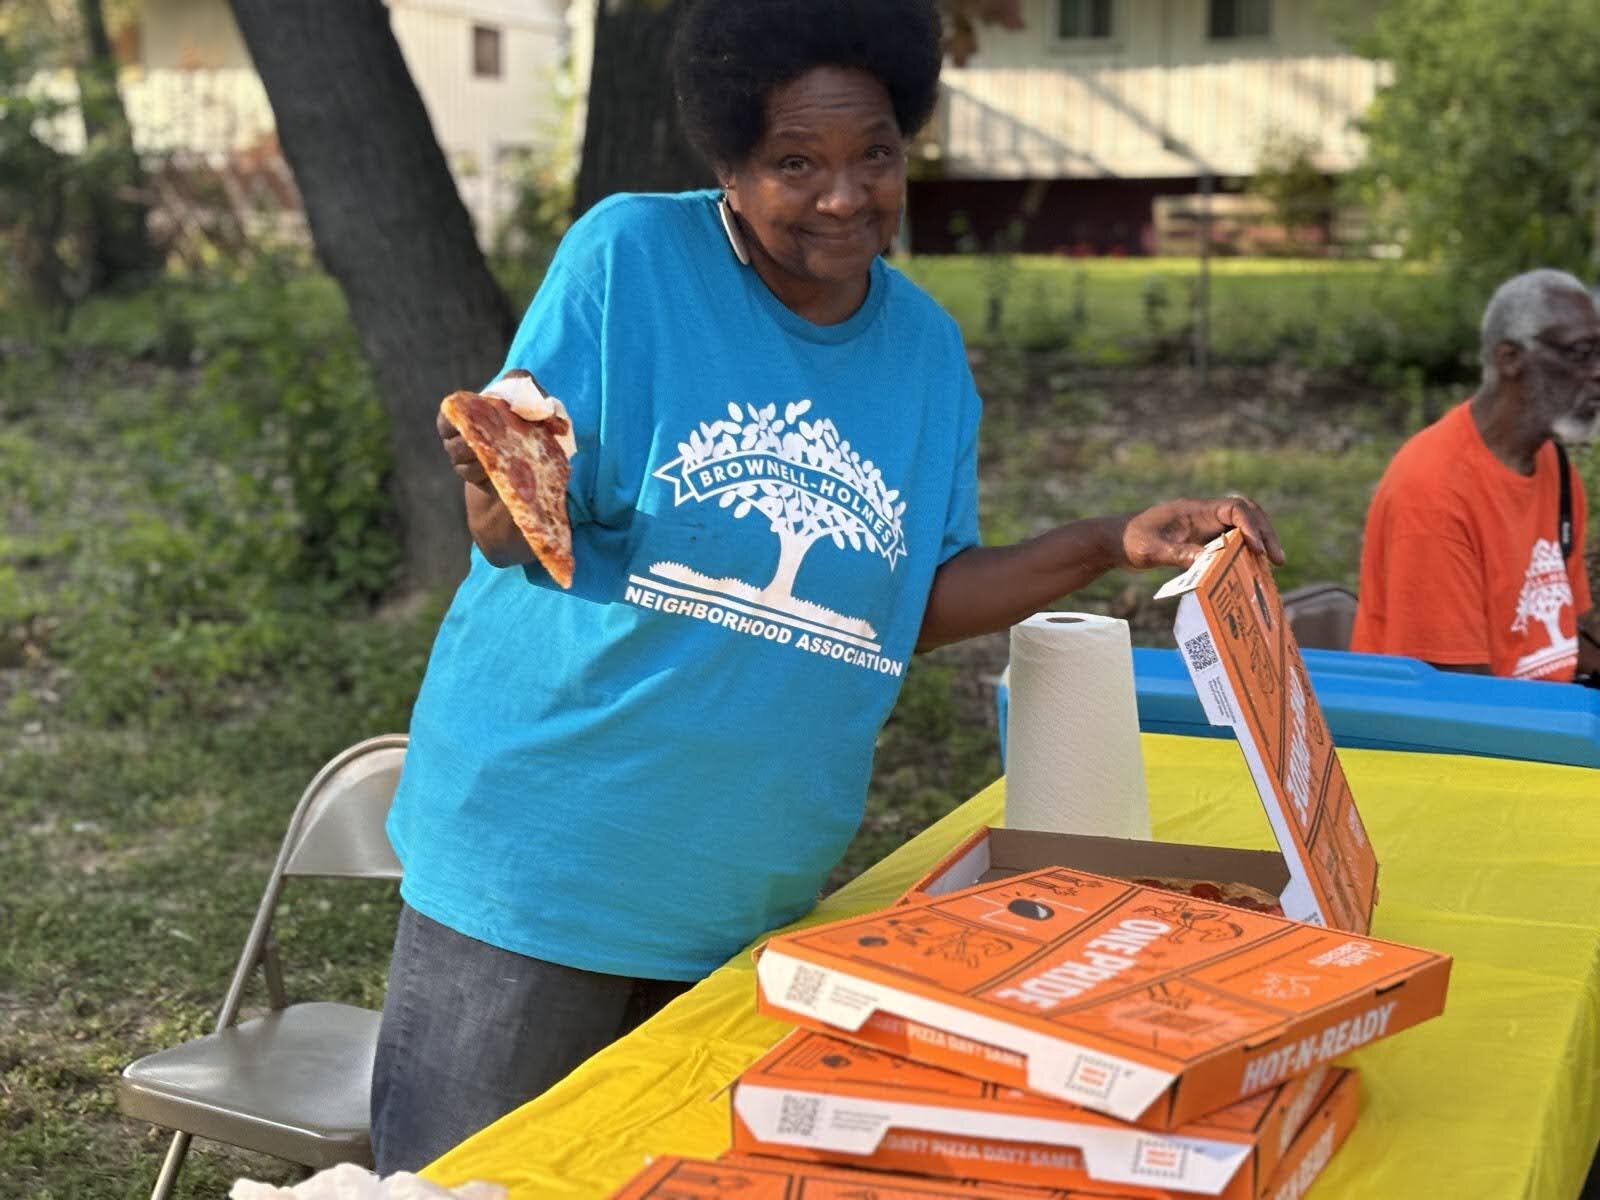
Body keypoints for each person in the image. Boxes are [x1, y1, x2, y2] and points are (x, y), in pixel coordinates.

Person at [368, 0, 1284, 1173]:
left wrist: (1109, 536)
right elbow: (517, 529)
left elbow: (911, 602)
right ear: (728, 167)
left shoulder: (923, 351)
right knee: (465, 1188)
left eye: (875, 157)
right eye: (794, 162)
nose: (844, 197)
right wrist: (491, 494)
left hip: (746, 886)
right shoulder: (631, 260)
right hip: (542, 860)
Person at [1351, 269, 1600, 682]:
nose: (1597, 372)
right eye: (1580, 353)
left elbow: (1567, 634)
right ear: (1510, 359)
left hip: (1549, 719)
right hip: (1488, 736)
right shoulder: (1433, 493)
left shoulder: (1553, 464)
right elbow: (1462, 711)